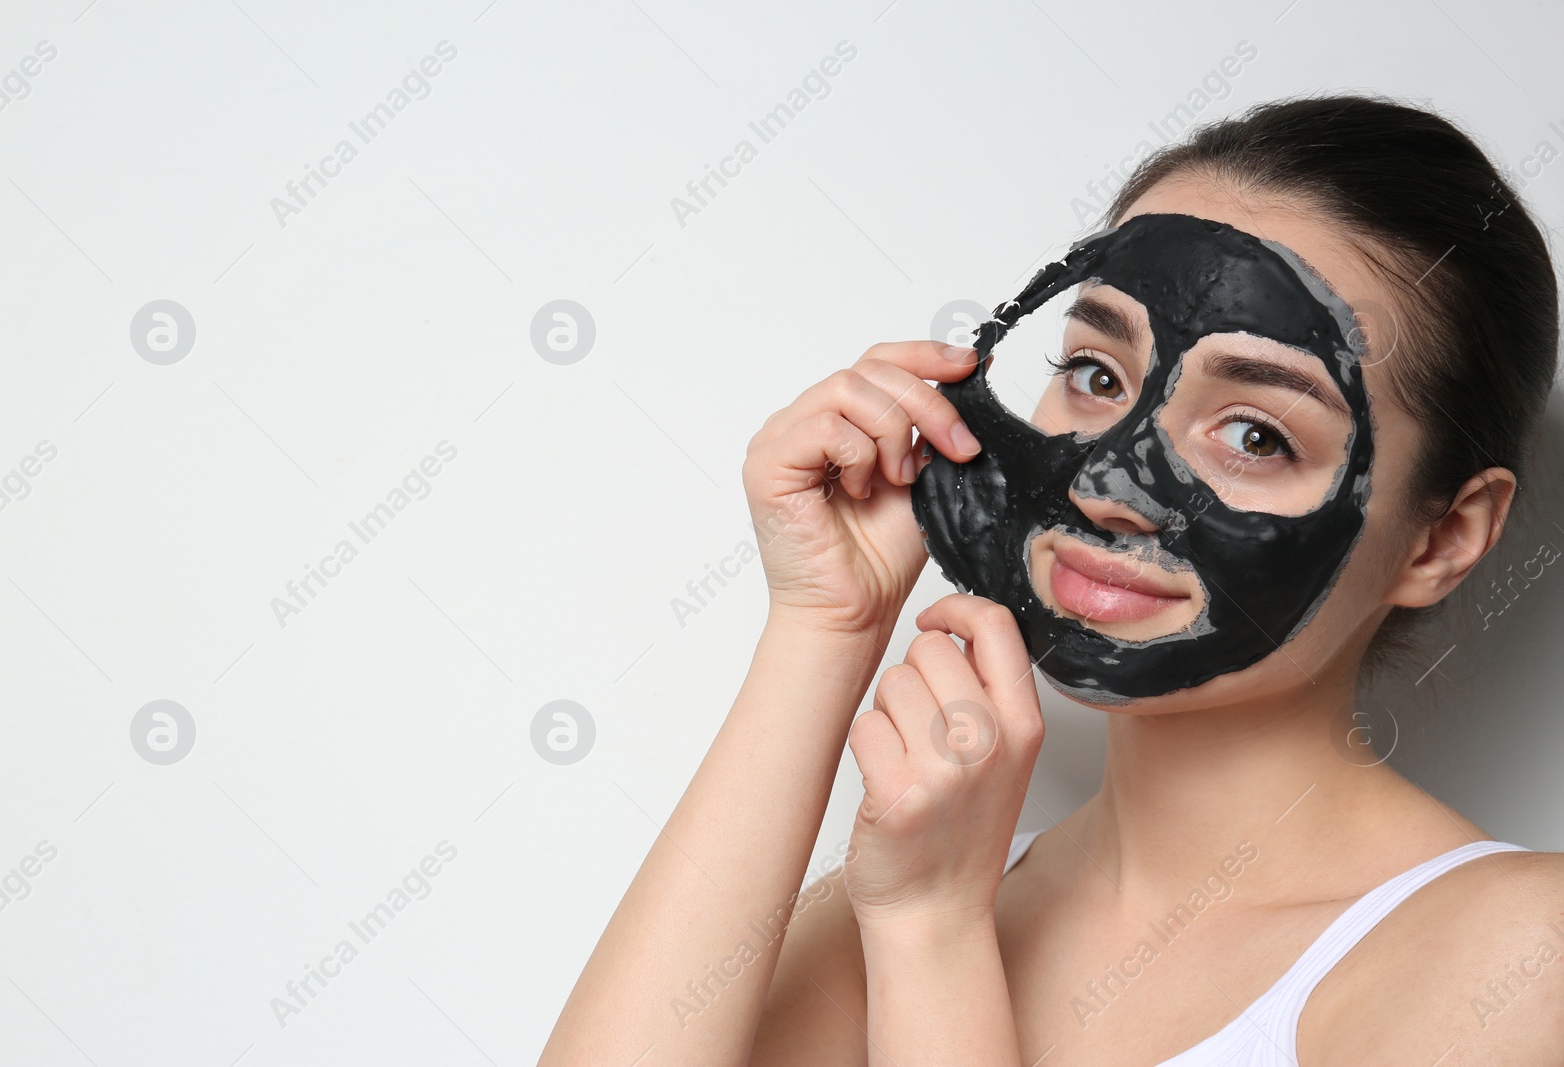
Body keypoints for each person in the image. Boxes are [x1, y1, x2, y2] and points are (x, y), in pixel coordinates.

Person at [540, 93, 1564, 1065]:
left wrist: (934, 937)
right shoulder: (917, 874)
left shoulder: (1523, 951)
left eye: (1254, 432)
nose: (1110, 480)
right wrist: (824, 623)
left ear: (1442, 538)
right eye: (1094, 373)